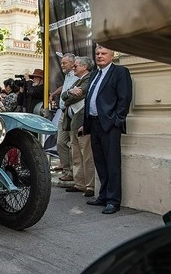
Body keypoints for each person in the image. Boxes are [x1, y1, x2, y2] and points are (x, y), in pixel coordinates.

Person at [83, 45, 132, 214]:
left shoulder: (120, 72)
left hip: (110, 125)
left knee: (112, 164)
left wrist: (117, 121)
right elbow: (90, 99)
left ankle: (113, 200)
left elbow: (124, 99)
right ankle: (103, 195)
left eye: (104, 53)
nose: (99, 56)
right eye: (97, 53)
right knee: (100, 163)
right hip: (94, 124)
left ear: (112, 55)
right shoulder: (95, 74)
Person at [60, 56, 95, 197]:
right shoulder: (78, 80)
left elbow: (78, 96)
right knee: (76, 154)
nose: (74, 68)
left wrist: (69, 95)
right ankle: (79, 183)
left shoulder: (88, 79)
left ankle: (89, 185)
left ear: (85, 67)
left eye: (76, 66)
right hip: (74, 122)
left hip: (82, 123)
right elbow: (64, 95)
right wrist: (69, 93)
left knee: (86, 154)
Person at [53, 54, 78, 181]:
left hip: (73, 112)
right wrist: (54, 94)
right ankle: (68, 170)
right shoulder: (67, 75)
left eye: (64, 63)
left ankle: (74, 172)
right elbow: (65, 88)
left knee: (74, 143)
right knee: (60, 142)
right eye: (62, 63)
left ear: (72, 63)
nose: (62, 65)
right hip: (63, 113)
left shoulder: (77, 75)